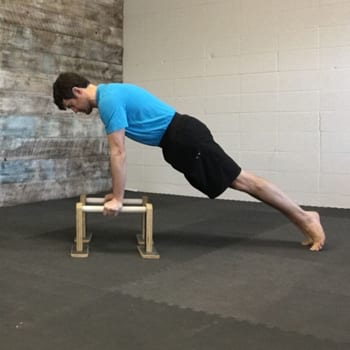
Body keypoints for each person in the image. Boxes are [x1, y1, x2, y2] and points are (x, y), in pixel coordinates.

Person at [53, 72, 325, 251]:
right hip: (178, 140)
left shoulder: (109, 101)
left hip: (184, 137)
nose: (75, 111)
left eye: (71, 105)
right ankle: (303, 216)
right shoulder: (111, 94)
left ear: (77, 91)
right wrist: (117, 193)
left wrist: (119, 199)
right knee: (239, 181)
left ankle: (305, 217)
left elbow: (118, 152)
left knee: (243, 180)